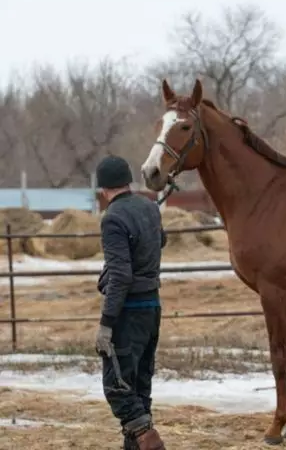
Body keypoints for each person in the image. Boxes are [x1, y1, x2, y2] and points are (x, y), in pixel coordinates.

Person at [95, 155, 167, 450]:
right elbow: (160, 240)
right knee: (139, 387)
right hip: (152, 307)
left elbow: (122, 276)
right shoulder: (150, 206)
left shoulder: (112, 218)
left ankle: (151, 442)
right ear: (127, 181)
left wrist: (106, 323)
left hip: (129, 312)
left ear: (102, 190)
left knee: (117, 387)